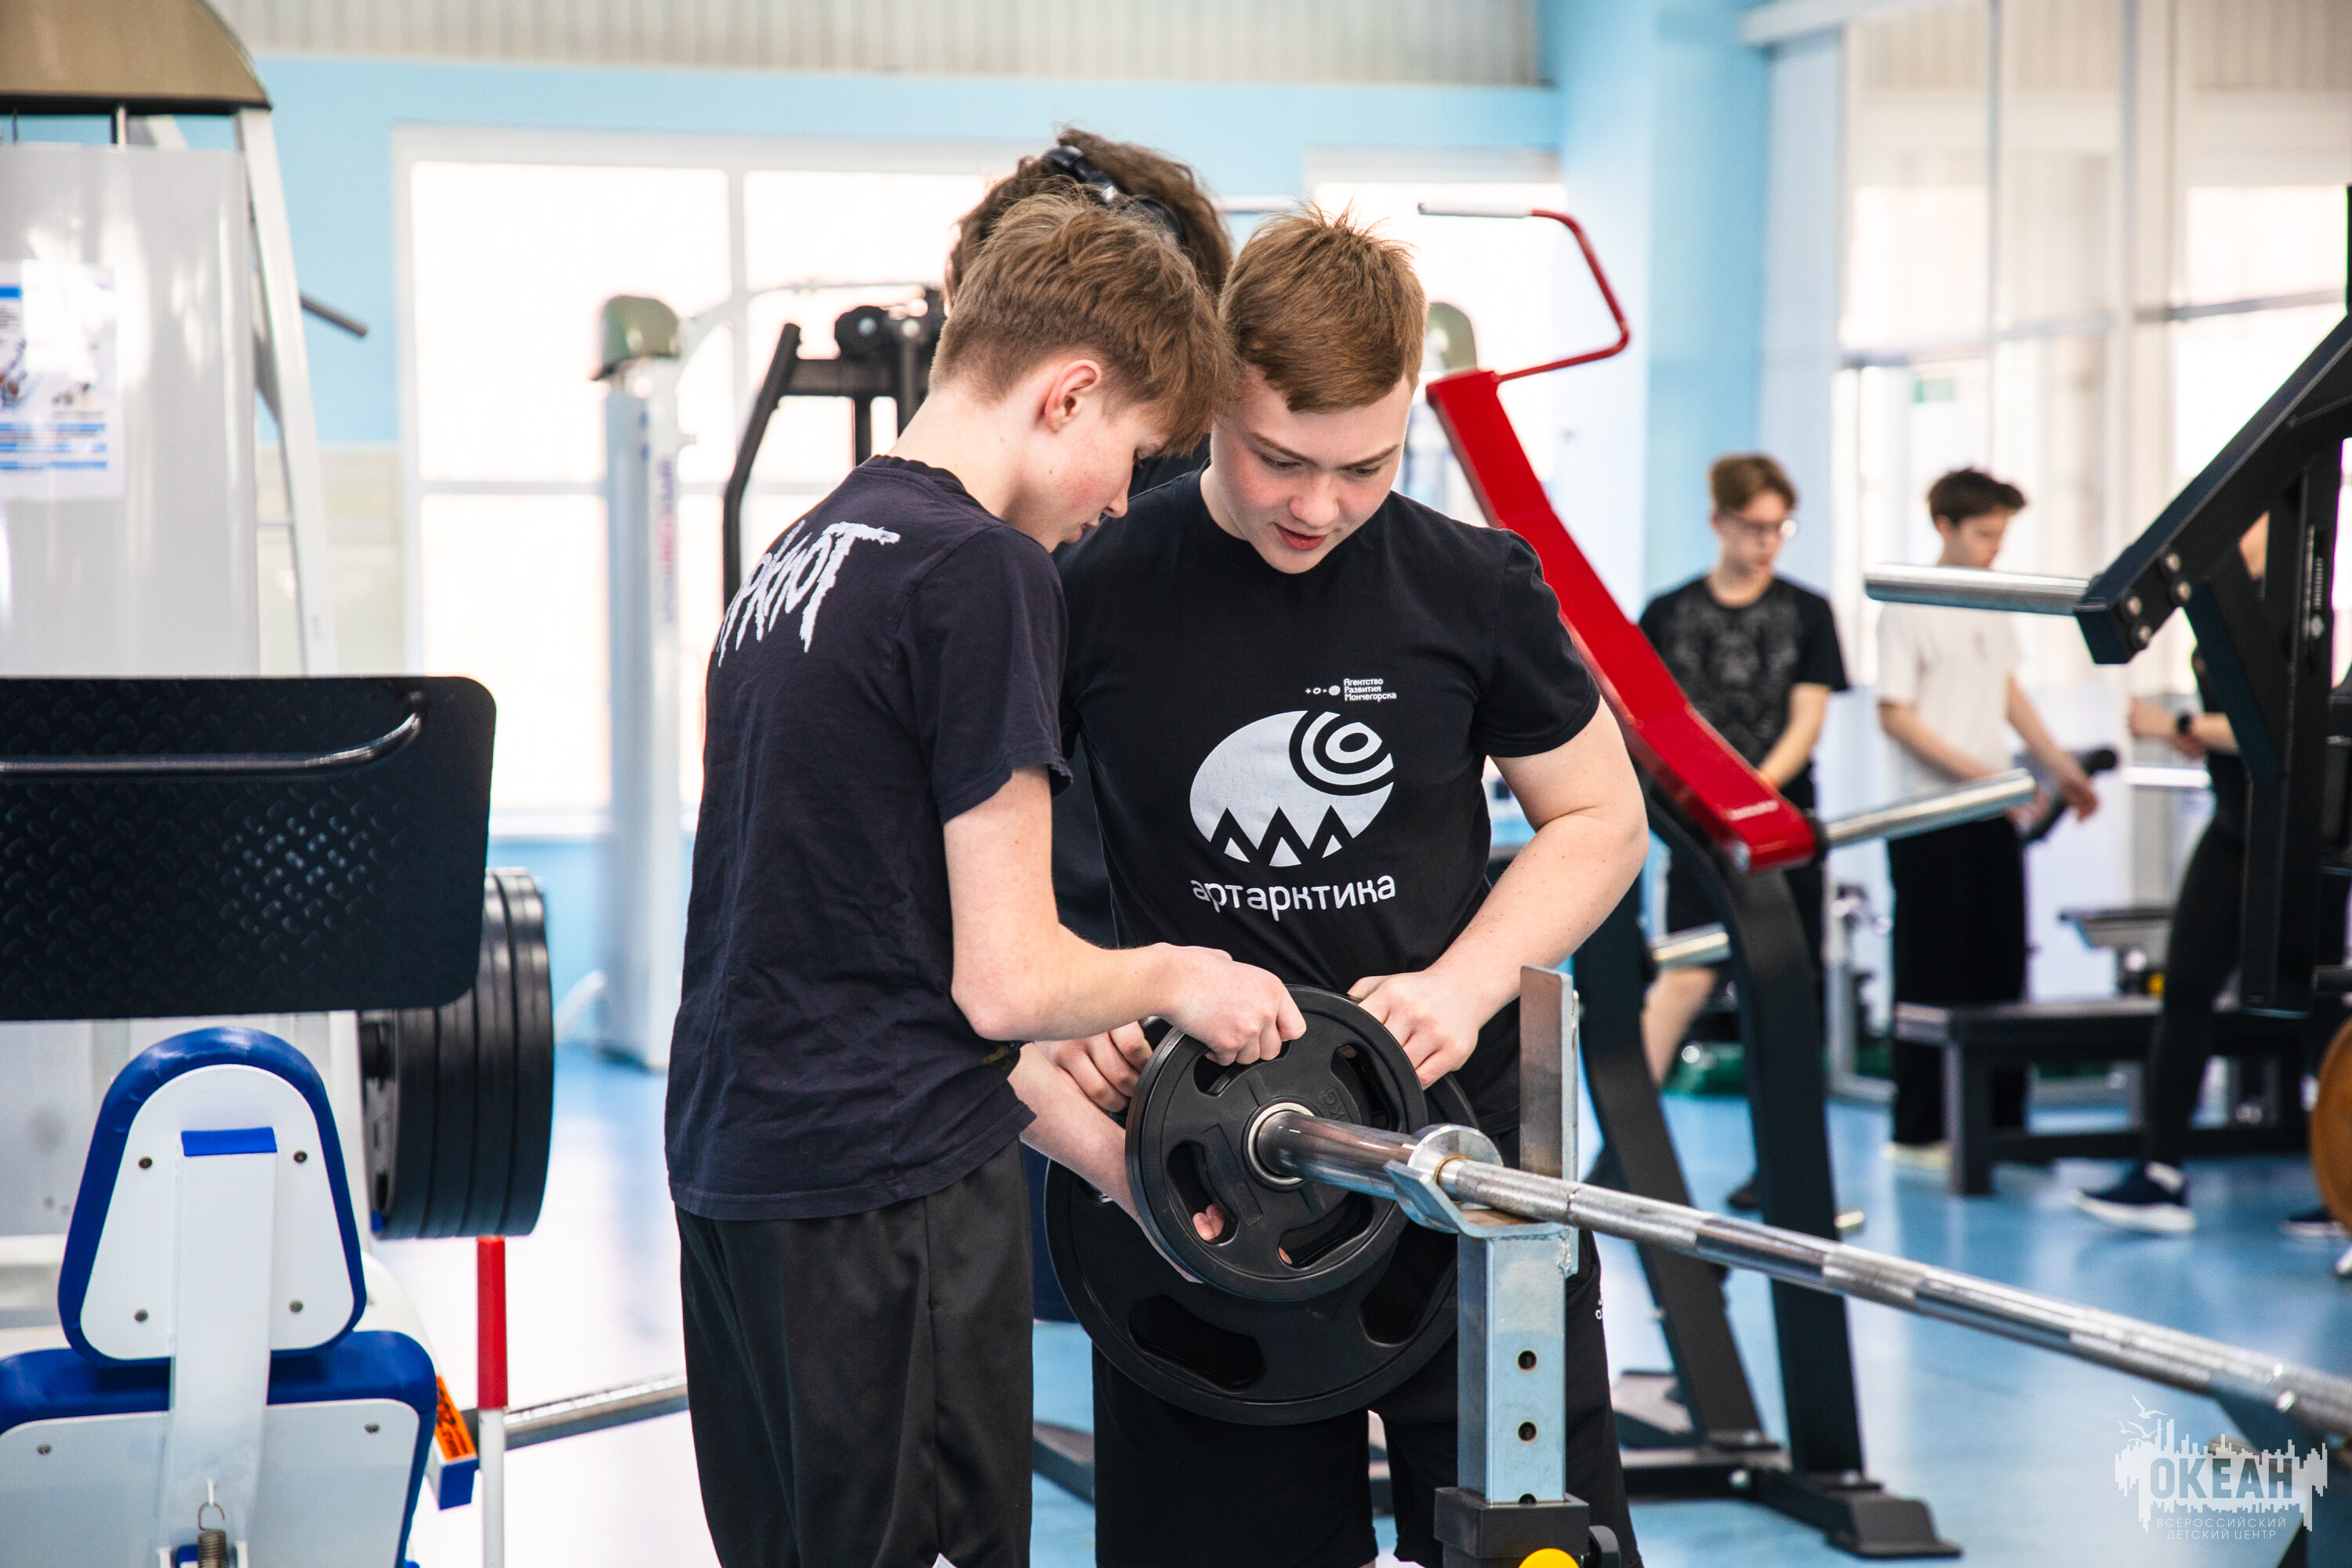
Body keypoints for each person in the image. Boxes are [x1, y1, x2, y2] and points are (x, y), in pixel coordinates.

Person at [663, 191, 1303, 1568]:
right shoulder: (985, 571)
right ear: (1069, 394)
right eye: (1133, 451)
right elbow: (1006, 983)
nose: (1123, 499)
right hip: (886, 1208)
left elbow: (879, 974)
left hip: (738, 1179)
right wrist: (1187, 975)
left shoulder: (801, 557)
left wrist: (1125, 1174)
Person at [1047, 208, 1651, 1568]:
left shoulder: (1471, 584)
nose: (1317, 506)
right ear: (1213, 399)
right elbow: (984, 844)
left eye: (1364, 466)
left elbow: (1601, 818)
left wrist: (1464, 985)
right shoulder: (1093, 583)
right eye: (1279, 458)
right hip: (1205, 1188)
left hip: (1459, 1173)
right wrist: (1065, 995)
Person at [947, 131, 1238, 1314]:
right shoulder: (986, 565)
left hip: (1113, 1018)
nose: (1117, 497)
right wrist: (1087, 993)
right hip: (1041, 1021)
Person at [2071, 515, 2351, 1236]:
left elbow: (2290, 723)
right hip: (2233, 825)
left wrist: (2178, 728)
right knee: (2187, 990)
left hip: (2296, 834)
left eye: (2247, 511)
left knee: (2318, 1005)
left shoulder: (2302, 608)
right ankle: (2162, 1176)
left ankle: (2346, 1192)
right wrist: (2197, 736)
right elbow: (2243, 723)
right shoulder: (2227, 598)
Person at [1635, 455, 1849, 1212]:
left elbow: (1807, 721)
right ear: (1718, 523)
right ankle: (1622, 1149)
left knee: (1783, 987)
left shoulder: (1809, 612)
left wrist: (1750, 797)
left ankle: (1781, 1165)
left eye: (1780, 528)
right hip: (1694, 829)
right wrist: (1705, 801)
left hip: (1779, 829)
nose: (1767, 543)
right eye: (1754, 527)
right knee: (1685, 976)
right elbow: (1647, 721)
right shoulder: (1667, 613)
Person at [1876, 467, 2101, 1163]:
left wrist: (2060, 767)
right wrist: (1992, 780)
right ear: (1944, 526)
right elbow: (1896, 716)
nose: (1994, 548)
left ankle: (2001, 1127)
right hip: (1928, 817)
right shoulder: (1907, 603)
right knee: (1933, 976)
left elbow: (2006, 692)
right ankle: (1920, 1131)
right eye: (1983, 534)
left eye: (2001, 536)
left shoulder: (1990, 598)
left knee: (2000, 972)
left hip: (1993, 815)